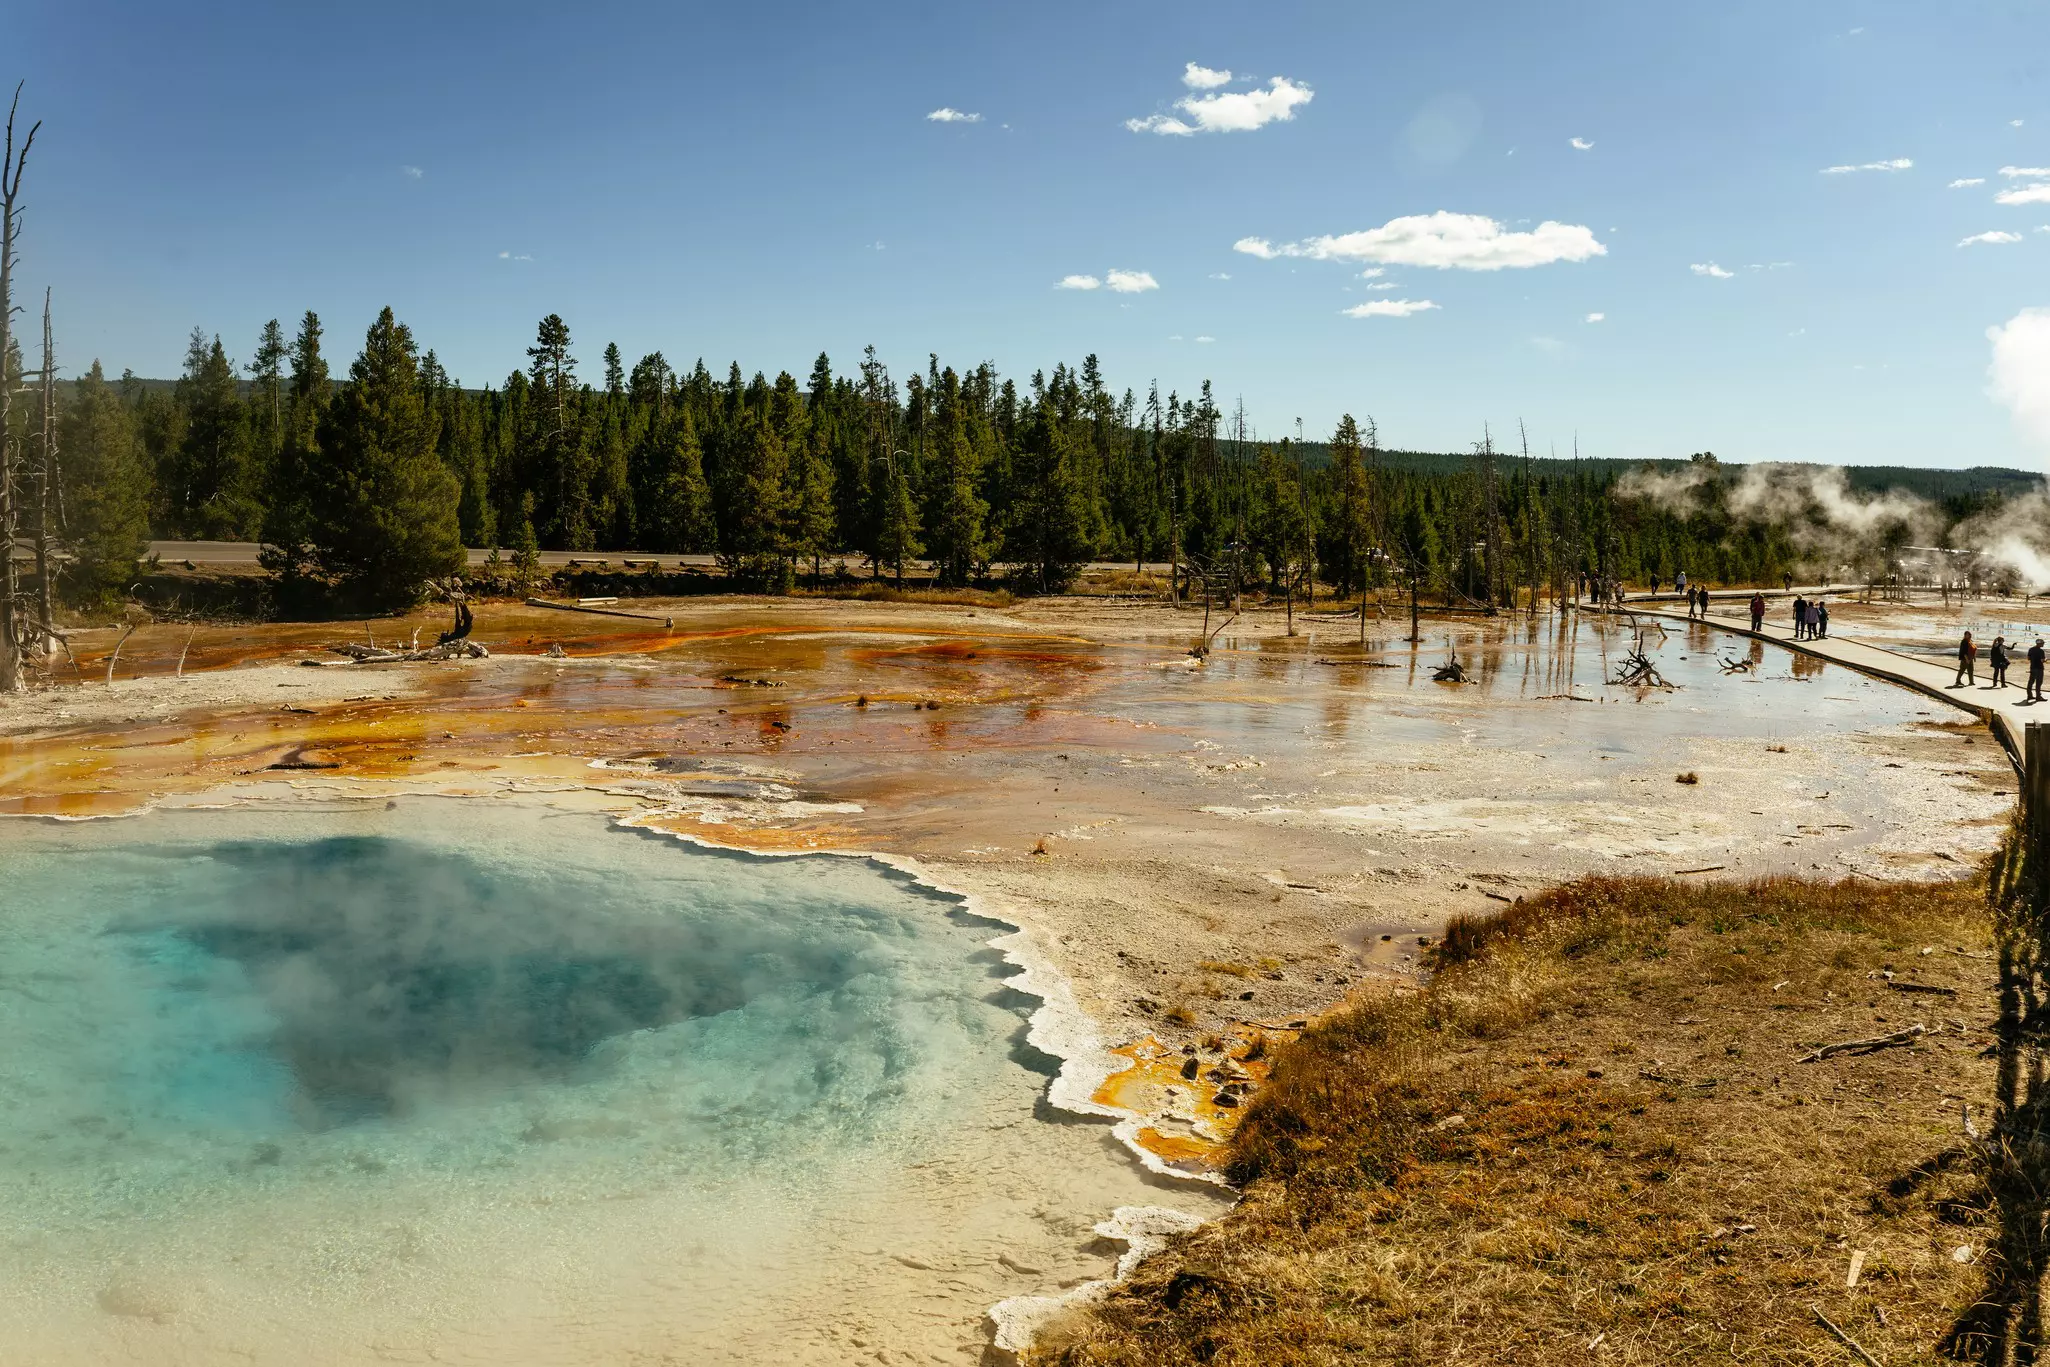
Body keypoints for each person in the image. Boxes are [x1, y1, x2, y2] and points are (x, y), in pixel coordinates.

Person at [2029, 639, 2046, 703]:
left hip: (2032, 667)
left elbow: (2028, 658)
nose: (2043, 644)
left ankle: (2029, 695)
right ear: (2039, 643)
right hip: (2039, 668)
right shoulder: (2041, 651)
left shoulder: (2031, 649)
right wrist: (2045, 660)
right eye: (2042, 643)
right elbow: (2042, 660)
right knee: (2038, 683)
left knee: (2031, 681)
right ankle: (2038, 697)